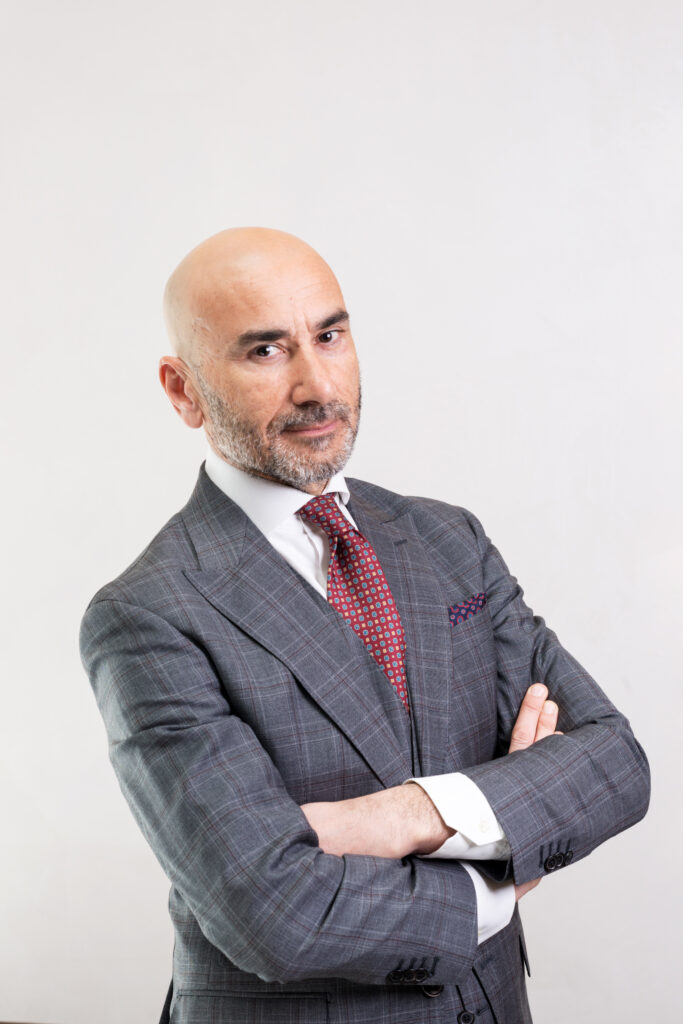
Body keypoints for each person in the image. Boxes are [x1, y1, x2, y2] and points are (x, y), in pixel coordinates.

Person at [79, 227, 650, 1024]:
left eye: (329, 335)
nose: (317, 385)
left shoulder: (448, 538)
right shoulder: (149, 612)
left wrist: (404, 817)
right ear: (183, 391)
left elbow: (615, 763)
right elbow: (274, 912)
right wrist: (497, 869)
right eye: (265, 351)